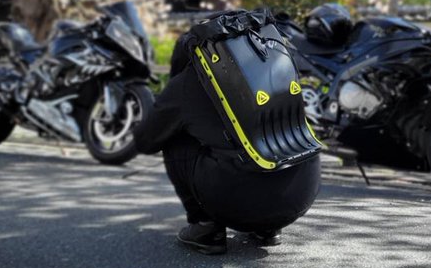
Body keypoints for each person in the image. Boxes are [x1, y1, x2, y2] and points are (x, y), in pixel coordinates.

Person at [133, 29, 322, 255]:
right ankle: (268, 229)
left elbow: (146, 140)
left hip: (238, 204)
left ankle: (206, 228)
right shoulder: (272, 66)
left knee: (174, 140)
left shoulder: (187, 81)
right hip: (302, 192)